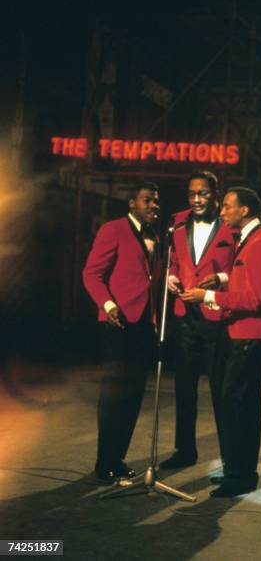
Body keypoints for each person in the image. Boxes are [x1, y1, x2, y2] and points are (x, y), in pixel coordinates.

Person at [191, 187, 261, 497]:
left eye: (228, 206)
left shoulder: (259, 244)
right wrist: (223, 279)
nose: (222, 211)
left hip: (248, 336)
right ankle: (239, 472)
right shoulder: (254, 240)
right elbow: (249, 279)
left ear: (245, 211)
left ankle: (239, 476)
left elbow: (254, 298)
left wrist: (209, 296)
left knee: (237, 405)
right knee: (240, 405)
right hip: (243, 334)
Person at [82, 182, 161, 483]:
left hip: (143, 324)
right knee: (114, 394)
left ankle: (117, 458)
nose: (153, 205)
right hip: (118, 323)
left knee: (134, 394)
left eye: (156, 201)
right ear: (132, 203)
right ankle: (105, 462)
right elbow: (91, 273)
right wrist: (107, 303)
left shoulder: (155, 235)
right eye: (147, 200)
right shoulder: (113, 229)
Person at [160, 170, 238, 471]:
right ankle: (184, 450)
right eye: (192, 194)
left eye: (203, 194)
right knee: (184, 388)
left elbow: (240, 270)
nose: (196, 199)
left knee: (221, 389)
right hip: (184, 315)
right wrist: (171, 276)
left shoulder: (230, 225)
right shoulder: (177, 222)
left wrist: (220, 278)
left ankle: (229, 455)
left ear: (215, 195)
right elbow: (176, 260)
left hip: (215, 315)